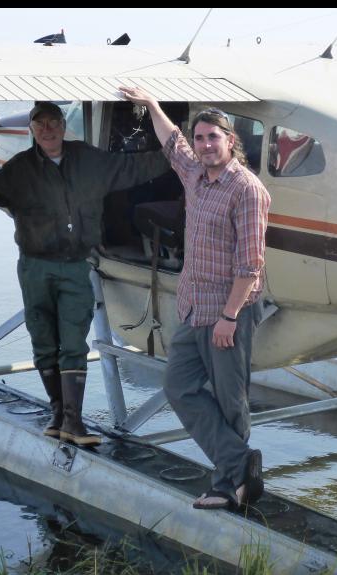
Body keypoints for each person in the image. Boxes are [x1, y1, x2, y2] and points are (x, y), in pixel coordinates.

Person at [0, 101, 169, 446]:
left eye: (54, 122)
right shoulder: (21, 169)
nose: (48, 129)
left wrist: (178, 155)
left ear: (63, 125)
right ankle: (58, 414)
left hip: (75, 266)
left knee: (73, 341)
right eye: (40, 123)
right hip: (35, 267)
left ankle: (73, 422)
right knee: (44, 340)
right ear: (32, 129)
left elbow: (134, 167)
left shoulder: (90, 159)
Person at [120, 87, 271, 510]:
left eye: (213, 138)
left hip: (228, 311)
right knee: (178, 385)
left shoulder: (247, 190)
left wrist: (229, 317)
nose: (205, 145)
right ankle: (242, 465)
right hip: (192, 307)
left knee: (229, 401)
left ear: (231, 141)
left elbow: (250, 265)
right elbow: (173, 142)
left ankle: (229, 485)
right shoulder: (195, 174)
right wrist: (151, 105)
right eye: (200, 137)